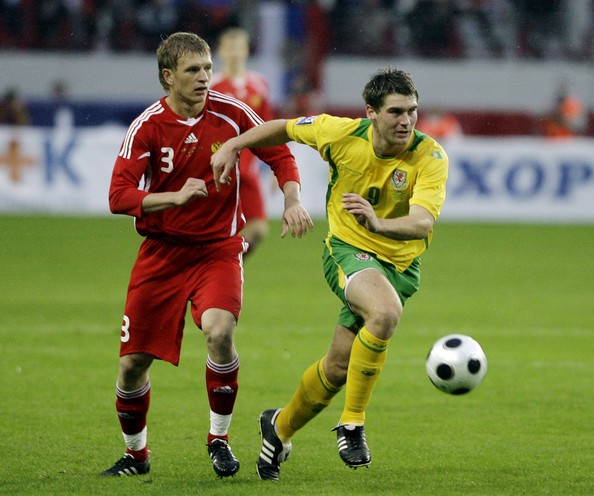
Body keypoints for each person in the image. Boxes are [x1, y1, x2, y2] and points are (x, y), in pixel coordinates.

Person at [211, 68, 448, 480]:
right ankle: (352, 423)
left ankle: (278, 428)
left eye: (412, 110)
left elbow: (422, 222)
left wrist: (379, 223)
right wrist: (234, 144)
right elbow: (282, 128)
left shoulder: (430, 155)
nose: (406, 120)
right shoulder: (339, 133)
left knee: (338, 368)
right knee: (385, 313)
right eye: (395, 112)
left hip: (401, 266)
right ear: (371, 112)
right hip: (348, 251)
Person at [102, 32, 313, 479]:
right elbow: (118, 196)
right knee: (132, 365)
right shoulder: (147, 126)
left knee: (219, 332)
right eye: (193, 70)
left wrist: (292, 200)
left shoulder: (232, 112)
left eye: (207, 69)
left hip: (218, 249)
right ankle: (136, 456)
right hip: (161, 254)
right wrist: (173, 197)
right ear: (168, 76)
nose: (203, 78)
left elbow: (280, 154)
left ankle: (219, 439)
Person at [210, 27, 273, 258]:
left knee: (258, 229)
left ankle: (226, 265)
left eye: (238, 47)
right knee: (219, 228)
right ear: (221, 51)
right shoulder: (212, 85)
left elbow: (268, 127)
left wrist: (276, 169)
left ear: (246, 51)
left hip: (248, 168)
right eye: (230, 48)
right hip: (221, 168)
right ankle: (220, 267)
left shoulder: (259, 85)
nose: (234, 53)